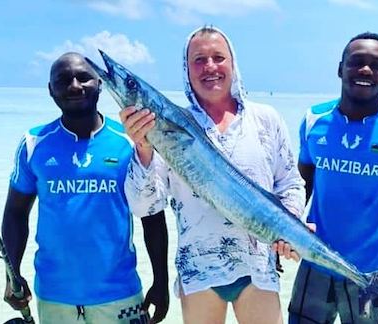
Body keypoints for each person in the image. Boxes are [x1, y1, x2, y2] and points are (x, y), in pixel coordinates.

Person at [120, 26, 306, 324]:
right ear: (186, 69)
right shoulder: (168, 124)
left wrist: (289, 223)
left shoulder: (265, 119)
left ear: (233, 63)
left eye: (218, 57)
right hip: (199, 271)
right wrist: (142, 146)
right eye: (199, 60)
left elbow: (290, 182)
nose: (210, 67)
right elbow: (145, 206)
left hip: (258, 268)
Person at [1, 52, 169, 324]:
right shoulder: (33, 144)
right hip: (53, 297)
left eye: (84, 78)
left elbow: (151, 214)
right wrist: (12, 273)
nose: (75, 86)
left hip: (120, 294)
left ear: (100, 83)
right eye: (63, 80)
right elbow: (15, 213)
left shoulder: (130, 141)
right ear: (50, 90)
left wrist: (161, 282)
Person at [288, 32, 378, 324]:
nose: (366, 70)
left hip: (373, 270)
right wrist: (280, 237)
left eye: (376, 65)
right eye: (356, 62)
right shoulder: (313, 120)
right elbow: (300, 185)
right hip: (315, 261)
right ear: (340, 68)